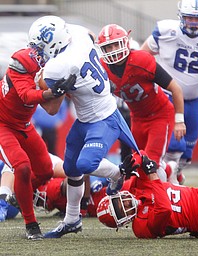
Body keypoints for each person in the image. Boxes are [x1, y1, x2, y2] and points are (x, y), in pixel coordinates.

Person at [28, 16, 140, 239]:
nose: (37, 52)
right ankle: (71, 219)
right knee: (71, 169)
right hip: (85, 118)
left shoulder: (57, 67)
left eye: (40, 47)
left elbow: (50, 109)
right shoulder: (77, 34)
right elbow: (89, 35)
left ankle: (117, 173)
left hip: (104, 118)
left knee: (86, 163)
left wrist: (54, 90)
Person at [140, 0, 198, 183]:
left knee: (185, 154)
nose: (193, 23)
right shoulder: (166, 31)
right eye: (190, 17)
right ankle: (165, 186)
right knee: (172, 146)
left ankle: (173, 176)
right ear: (181, 17)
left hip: (193, 100)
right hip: (165, 96)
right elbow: (142, 56)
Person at [0, 18, 76, 239]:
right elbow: (26, 94)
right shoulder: (22, 60)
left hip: (23, 124)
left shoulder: (49, 62)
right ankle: (31, 224)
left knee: (43, 170)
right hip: (3, 124)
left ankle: (19, 194)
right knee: (22, 167)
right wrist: (51, 93)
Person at [97, 24, 186, 183]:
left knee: (150, 164)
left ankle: (161, 202)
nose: (113, 50)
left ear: (125, 42)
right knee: (136, 163)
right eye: (108, 47)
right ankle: (170, 169)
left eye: (116, 44)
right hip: (137, 118)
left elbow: (176, 88)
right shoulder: (102, 69)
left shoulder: (141, 60)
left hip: (159, 114)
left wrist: (179, 121)